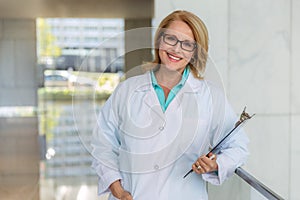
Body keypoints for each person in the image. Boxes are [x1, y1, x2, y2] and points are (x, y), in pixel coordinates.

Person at [91, 10, 249, 200]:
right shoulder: (126, 91)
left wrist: (216, 164)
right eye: (171, 39)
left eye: (187, 44)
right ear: (159, 40)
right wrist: (118, 191)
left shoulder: (210, 97)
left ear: (195, 52)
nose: (176, 49)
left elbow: (239, 146)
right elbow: (103, 145)